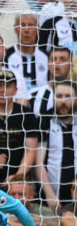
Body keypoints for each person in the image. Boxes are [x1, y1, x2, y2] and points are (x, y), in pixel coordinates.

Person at [36, 80, 77, 212]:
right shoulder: (44, 121)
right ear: (53, 99)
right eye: (59, 96)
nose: (63, 101)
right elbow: (38, 163)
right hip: (52, 199)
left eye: (68, 96)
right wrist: (49, 195)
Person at [5, 14, 49, 92]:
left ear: (38, 29)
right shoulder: (6, 56)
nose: (26, 30)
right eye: (22, 25)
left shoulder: (47, 56)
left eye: (31, 25)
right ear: (16, 29)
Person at [29, 47, 73, 118]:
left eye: (62, 59)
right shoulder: (33, 94)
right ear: (48, 64)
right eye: (54, 59)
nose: (57, 62)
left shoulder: (75, 93)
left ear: (71, 65)